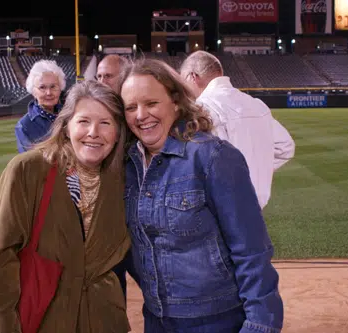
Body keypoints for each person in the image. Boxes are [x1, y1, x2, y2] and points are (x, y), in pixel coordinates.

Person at [119, 58, 284, 333]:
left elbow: (252, 250)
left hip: (216, 320)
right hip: (157, 321)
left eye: (151, 103)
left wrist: (261, 323)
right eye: (130, 107)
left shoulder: (213, 156)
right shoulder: (129, 166)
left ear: (175, 101)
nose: (140, 115)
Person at [0, 81, 131, 333]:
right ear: (66, 126)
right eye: (83, 121)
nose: (94, 132)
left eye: (106, 123)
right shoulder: (27, 170)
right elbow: (0, 260)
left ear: (118, 133)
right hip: (43, 319)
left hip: (104, 319)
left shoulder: (123, 179)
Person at [180, 51, 295, 209]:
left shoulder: (203, 107)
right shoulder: (256, 104)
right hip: (254, 209)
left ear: (192, 77)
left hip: (221, 211)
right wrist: (256, 169)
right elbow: (286, 147)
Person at [15, 60, 66, 153]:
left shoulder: (70, 115)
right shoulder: (24, 126)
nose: (49, 93)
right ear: (33, 92)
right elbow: (30, 163)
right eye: (42, 87)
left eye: (53, 86)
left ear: (60, 88)